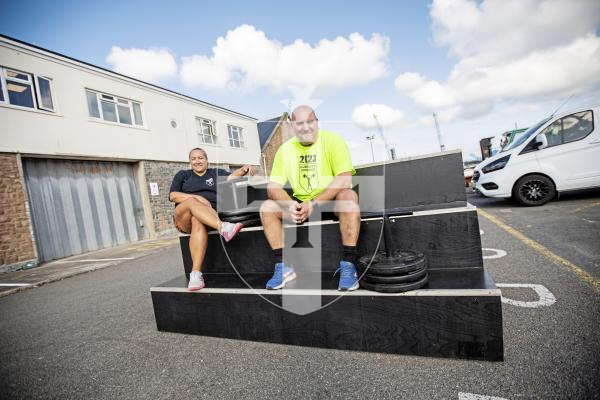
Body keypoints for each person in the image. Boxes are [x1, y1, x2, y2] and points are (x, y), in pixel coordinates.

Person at [259, 105, 361, 291]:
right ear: (292, 126)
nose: (305, 127)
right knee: (267, 207)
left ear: (317, 121)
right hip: (300, 204)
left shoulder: (333, 140)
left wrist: (314, 204)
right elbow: (272, 187)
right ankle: (284, 268)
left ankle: (349, 265)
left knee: (349, 197)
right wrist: (289, 204)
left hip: (329, 201)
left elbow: (345, 179)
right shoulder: (284, 150)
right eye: (299, 123)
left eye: (310, 121)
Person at [170, 147, 254, 291]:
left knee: (197, 219)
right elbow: (173, 196)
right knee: (191, 203)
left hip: (206, 218)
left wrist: (244, 169)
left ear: (206, 160)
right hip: (183, 217)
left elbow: (232, 177)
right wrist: (198, 198)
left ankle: (195, 275)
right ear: (190, 162)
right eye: (194, 159)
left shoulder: (215, 173)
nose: (197, 161)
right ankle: (224, 227)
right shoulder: (183, 175)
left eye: (200, 158)